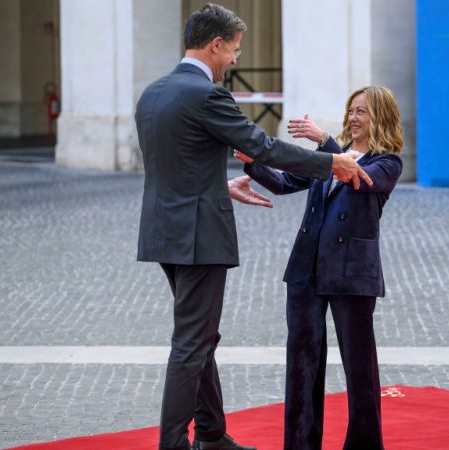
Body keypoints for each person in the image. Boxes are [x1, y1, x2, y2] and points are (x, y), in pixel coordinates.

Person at [134, 4, 372, 450]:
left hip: (164, 232)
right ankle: (174, 444)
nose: (235, 61)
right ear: (215, 44)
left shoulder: (153, 93)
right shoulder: (205, 95)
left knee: (199, 336)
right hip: (199, 236)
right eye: (234, 51)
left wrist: (221, 186)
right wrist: (330, 162)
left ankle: (210, 434)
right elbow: (260, 146)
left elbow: (173, 167)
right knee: (191, 343)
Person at [236, 86, 403, 450]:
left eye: (362, 111)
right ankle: (299, 444)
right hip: (306, 269)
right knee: (301, 366)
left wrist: (326, 142)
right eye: (351, 110)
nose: (354, 118)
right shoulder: (330, 157)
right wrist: (252, 162)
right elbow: (283, 184)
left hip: (352, 273)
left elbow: (357, 177)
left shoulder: (387, 162)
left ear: (381, 118)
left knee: (360, 369)